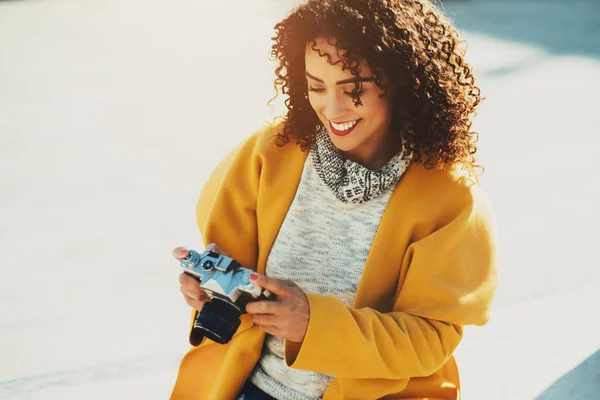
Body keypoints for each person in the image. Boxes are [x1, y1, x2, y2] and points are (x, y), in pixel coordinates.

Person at [171, 0, 498, 399]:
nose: (332, 108)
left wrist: (314, 326)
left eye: (353, 88)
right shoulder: (268, 153)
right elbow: (234, 274)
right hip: (250, 388)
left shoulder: (451, 198)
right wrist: (211, 292)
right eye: (316, 86)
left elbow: (429, 339)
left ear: (401, 81)